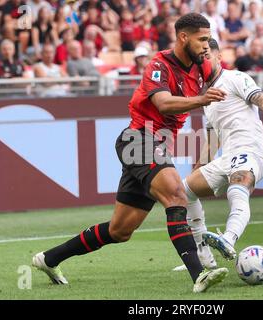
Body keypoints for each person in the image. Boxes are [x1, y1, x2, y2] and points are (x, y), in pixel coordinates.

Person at [32, 13, 229, 293]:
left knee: (120, 230)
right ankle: (199, 276)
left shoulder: (203, 66)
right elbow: (163, 104)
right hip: (137, 139)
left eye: (209, 40)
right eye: (201, 40)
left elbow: (230, 80)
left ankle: (48, 259)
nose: (206, 45)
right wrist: (201, 99)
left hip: (158, 146)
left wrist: (259, 101)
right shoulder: (159, 65)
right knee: (176, 194)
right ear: (183, 37)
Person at [174, 38, 263, 269]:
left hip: (250, 151)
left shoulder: (236, 78)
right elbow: (214, 137)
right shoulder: (207, 97)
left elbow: (262, 100)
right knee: (183, 191)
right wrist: (200, 165)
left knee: (238, 186)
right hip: (227, 157)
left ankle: (228, 239)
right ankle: (202, 255)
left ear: (218, 57)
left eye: (207, 56)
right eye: (200, 59)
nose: (203, 62)